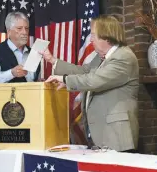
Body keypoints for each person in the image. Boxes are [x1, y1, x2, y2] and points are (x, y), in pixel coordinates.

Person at [42, 15, 139, 152]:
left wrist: (64, 79)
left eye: (93, 35)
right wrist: (51, 60)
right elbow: (83, 71)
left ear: (106, 36)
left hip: (116, 137)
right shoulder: (100, 58)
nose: (91, 39)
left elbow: (93, 81)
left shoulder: (123, 57)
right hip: (101, 136)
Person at [0, 11, 40, 84]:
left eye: (26, 28)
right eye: (19, 28)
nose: (24, 32)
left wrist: (39, 82)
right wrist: (11, 73)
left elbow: (33, 80)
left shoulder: (34, 53)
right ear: (9, 31)